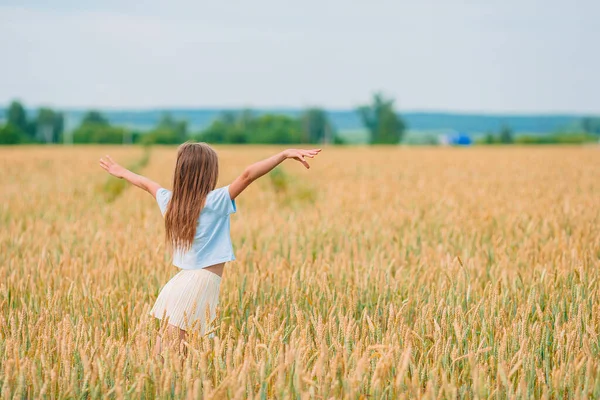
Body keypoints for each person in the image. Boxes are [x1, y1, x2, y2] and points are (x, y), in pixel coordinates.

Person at [99, 142, 321, 356]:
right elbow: (248, 175)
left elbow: (146, 183)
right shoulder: (215, 201)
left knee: (172, 348)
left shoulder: (170, 201)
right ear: (209, 173)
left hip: (183, 282)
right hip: (199, 283)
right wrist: (283, 154)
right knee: (174, 351)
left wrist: (121, 172)